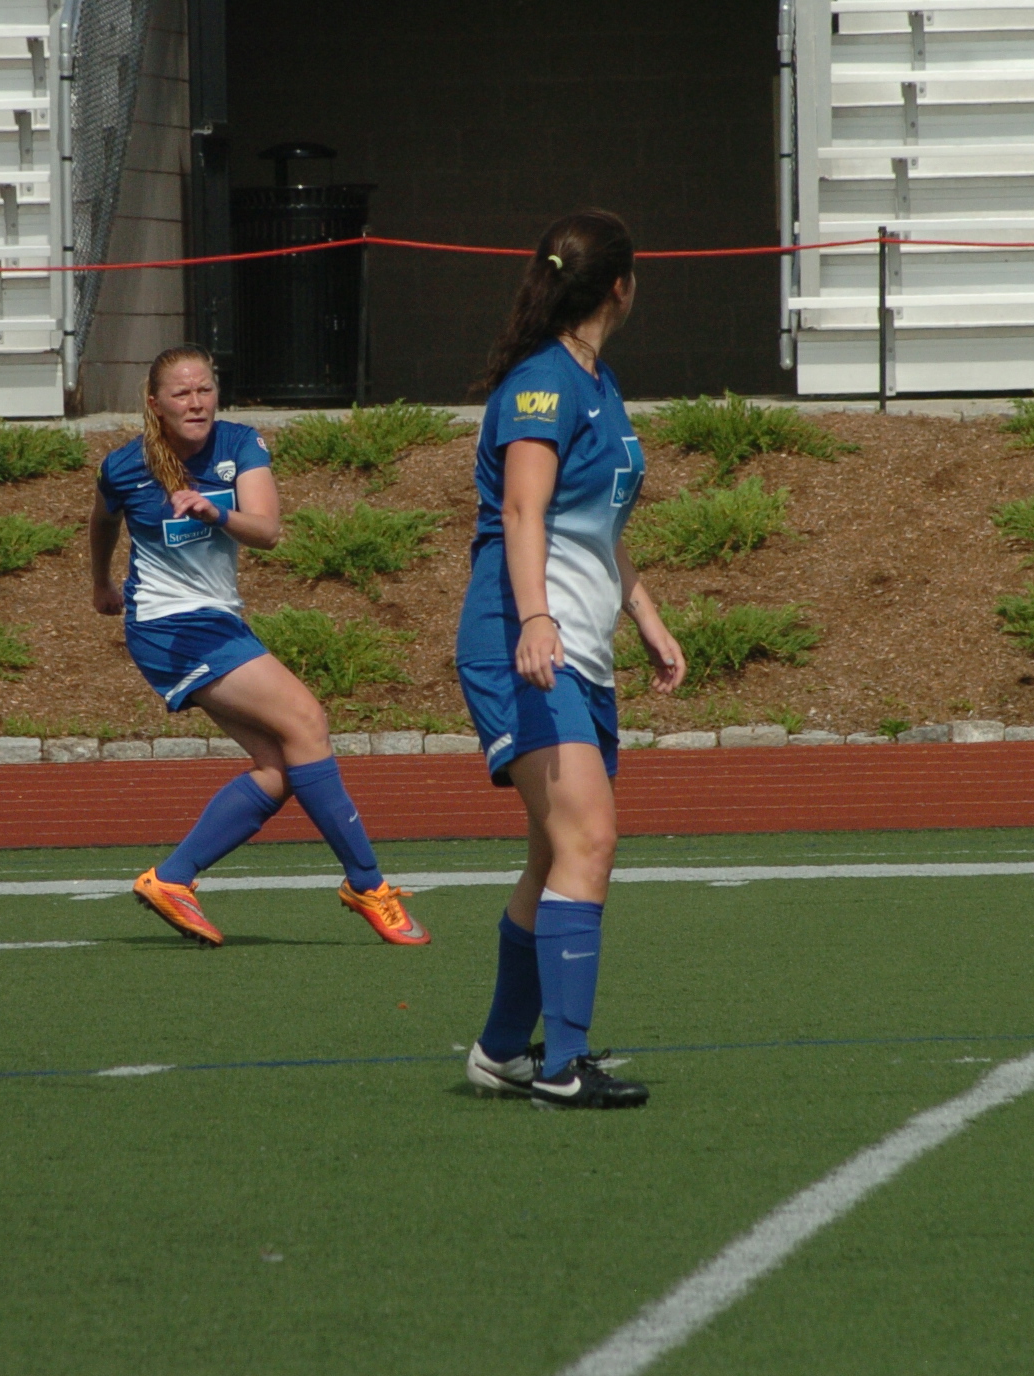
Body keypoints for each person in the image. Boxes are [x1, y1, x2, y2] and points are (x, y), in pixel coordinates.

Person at [91, 344, 431, 951]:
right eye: (181, 393)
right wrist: (100, 584)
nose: (196, 402)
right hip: (168, 626)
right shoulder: (123, 466)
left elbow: (268, 530)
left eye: (205, 389)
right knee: (307, 721)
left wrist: (213, 512)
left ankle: (172, 879)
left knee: (279, 768)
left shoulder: (240, 443)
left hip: (218, 622)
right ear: (155, 403)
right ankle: (367, 885)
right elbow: (103, 520)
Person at [455, 211, 684, 1111]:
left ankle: (502, 1050)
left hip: (575, 645)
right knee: (590, 839)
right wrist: (537, 618)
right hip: (522, 640)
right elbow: (523, 512)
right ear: (620, 286)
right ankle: (564, 1066)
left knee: (555, 852)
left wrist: (646, 614)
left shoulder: (596, 379)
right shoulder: (543, 384)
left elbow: (598, 527)